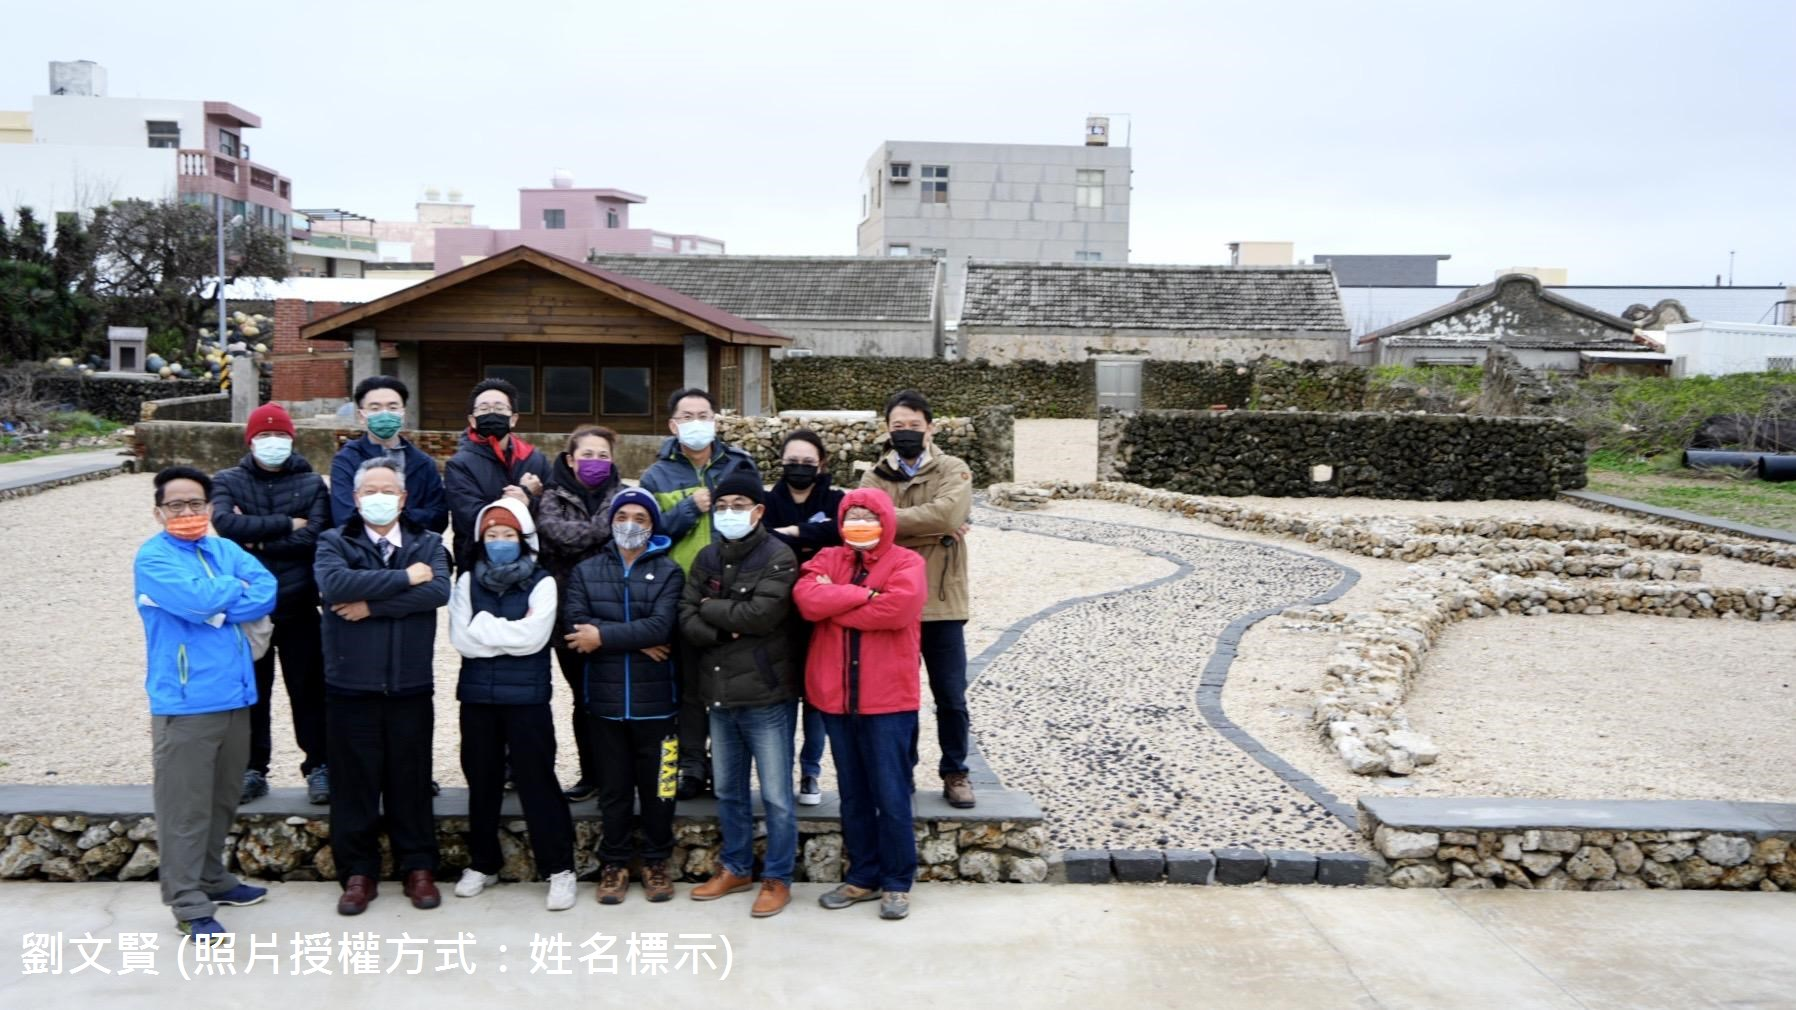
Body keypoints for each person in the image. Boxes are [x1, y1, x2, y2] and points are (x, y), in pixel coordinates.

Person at [135, 465, 279, 938]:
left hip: (236, 695)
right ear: (159, 512)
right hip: (186, 703)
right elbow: (196, 603)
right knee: (185, 808)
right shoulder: (153, 558)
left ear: (211, 507)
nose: (187, 511)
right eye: (176, 504)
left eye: (196, 503)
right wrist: (229, 590)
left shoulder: (224, 549)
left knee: (220, 799)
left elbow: (266, 591)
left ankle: (213, 877)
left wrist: (219, 602)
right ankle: (187, 900)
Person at [314, 456, 452, 916]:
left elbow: (438, 592)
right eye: (370, 491)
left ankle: (419, 867)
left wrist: (371, 606)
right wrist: (404, 578)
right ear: (356, 499)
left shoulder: (428, 542)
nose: (379, 498)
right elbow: (335, 584)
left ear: (403, 497)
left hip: (409, 683)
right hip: (350, 683)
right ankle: (358, 872)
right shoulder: (334, 540)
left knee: (410, 779)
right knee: (354, 783)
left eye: (388, 491)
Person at [793, 488, 926, 921]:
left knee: (891, 793)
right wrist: (867, 594)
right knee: (853, 793)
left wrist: (838, 600)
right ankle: (863, 875)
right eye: (853, 515)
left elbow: (898, 610)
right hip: (836, 697)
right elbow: (807, 600)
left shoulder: (907, 562)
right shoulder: (828, 557)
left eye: (869, 515)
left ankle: (897, 880)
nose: (860, 523)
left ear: (886, 520)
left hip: (888, 699)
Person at [447, 498, 579, 911]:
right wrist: (505, 631)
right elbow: (461, 639)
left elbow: (534, 639)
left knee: (537, 780)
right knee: (482, 781)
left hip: (527, 698)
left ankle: (560, 868)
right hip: (477, 697)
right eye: (492, 534)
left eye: (508, 534)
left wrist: (484, 625)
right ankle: (482, 863)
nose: (500, 541)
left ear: (523, 538)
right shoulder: (467, 581)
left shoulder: (542, 581)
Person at [680, 471, 800, 917]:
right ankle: (736, 866)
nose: (729, 512)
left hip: (766, 695)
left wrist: (710, 609)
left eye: (739, 505)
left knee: (776, 797)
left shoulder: (779, 555)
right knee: (729, 791)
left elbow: (761, 614)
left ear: (758, 511)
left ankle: (778, 877)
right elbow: (684, 614)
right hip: (718, 691)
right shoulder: (707, 556)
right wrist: (721, 624)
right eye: (722, 505)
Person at [563, 489, 685, 905]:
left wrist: (605, 636)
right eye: (622, 516)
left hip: (659, 705)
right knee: (613, 790)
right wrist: (636, 640)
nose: (630, 524)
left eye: (640, 518)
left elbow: (662, 627)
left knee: (661, 789)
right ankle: (613, 862)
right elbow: (576, 627)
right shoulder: (586, 570)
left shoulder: (669, 572)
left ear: (653, 525)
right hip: (605, 703)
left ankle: (656, 861)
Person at [638, 387, 761, 799]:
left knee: (733, 682)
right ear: (673, 425)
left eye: (704, 415)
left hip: (735, 590)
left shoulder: (740, 464)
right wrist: (690, 507)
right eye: (687, 416)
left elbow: (758, 521)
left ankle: (729, 764)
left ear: (715, 420)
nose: (697, 423)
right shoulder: (656, 475)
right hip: (682, 593)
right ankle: (691, 764)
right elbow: (649, 532)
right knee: (689, 686)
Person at [210, 403, 332, 806]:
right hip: (248, 608)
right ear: (250, 440)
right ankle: (252, 768)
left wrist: (257, 541)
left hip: (299, 603)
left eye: (280, 435)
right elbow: (226, 525)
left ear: (292, 439)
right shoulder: (227, 479)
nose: (272, 442)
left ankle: (320, 765)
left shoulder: (312, 483)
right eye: (264, 436)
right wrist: (287, 524)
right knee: (253, 692)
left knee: (309, 691)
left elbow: (316, 535)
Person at [860, 389, 977, 809]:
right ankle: (901, 771)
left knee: (951, 695)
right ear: (887, 430)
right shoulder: (874, 475)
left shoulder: (953, 468)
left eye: (913, 425)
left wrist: (890, 523)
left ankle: (955, 771)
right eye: (898, 426)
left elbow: (948, 514)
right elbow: (861, 524)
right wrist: (937, 530)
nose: (905, 432)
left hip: (943, 601)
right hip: (893, 602)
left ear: (930, 427)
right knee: (898, 696)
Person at [535, 425, 624, 802]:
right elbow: (557, 534)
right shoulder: (551, 496)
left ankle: (617, 776)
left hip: (614, 613)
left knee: (613, 695)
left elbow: (628, 536)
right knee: (582, 698)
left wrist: (592, 534)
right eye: (587, 454)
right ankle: (590, 774)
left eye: (603, 455)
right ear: (571, 460)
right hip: (567, 616)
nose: (595, 461)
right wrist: (604, 529)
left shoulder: (624, 495)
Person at [761, 429, 844, 807]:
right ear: (781, 462)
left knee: (816, 697)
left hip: (821, 612)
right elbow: (762, 538)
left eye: (807, 462)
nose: (799, 468)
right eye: (792, 461)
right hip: (778, 612)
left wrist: (793, 532)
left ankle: (810, 770)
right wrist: (812, 540)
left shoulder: (836, 499)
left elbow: (839, 531)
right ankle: (779, 771)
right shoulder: (767, 500)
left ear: (821, 464)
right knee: (781, 695)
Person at [444, 378, 552, 572]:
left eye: (499, 408)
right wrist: (522, 497)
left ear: (513, 418)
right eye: (484, 409)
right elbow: (470, 518)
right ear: (472, 420)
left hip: (532, 564)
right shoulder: (459, 465)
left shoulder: (536, 459)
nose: (492, 413)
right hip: (477, 565)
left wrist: (530, 501)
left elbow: (556, 510)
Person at [329, 375, 448, 533]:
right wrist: (410, 517)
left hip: (414, 546)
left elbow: (438, 518)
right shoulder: (347, 460)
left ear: (403, 413)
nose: (384, 414)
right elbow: (344, 517)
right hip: (359, 546)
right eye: (375, 408)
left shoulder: (423, 463)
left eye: (392, 408)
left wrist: (384, 518)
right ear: (361, 416)